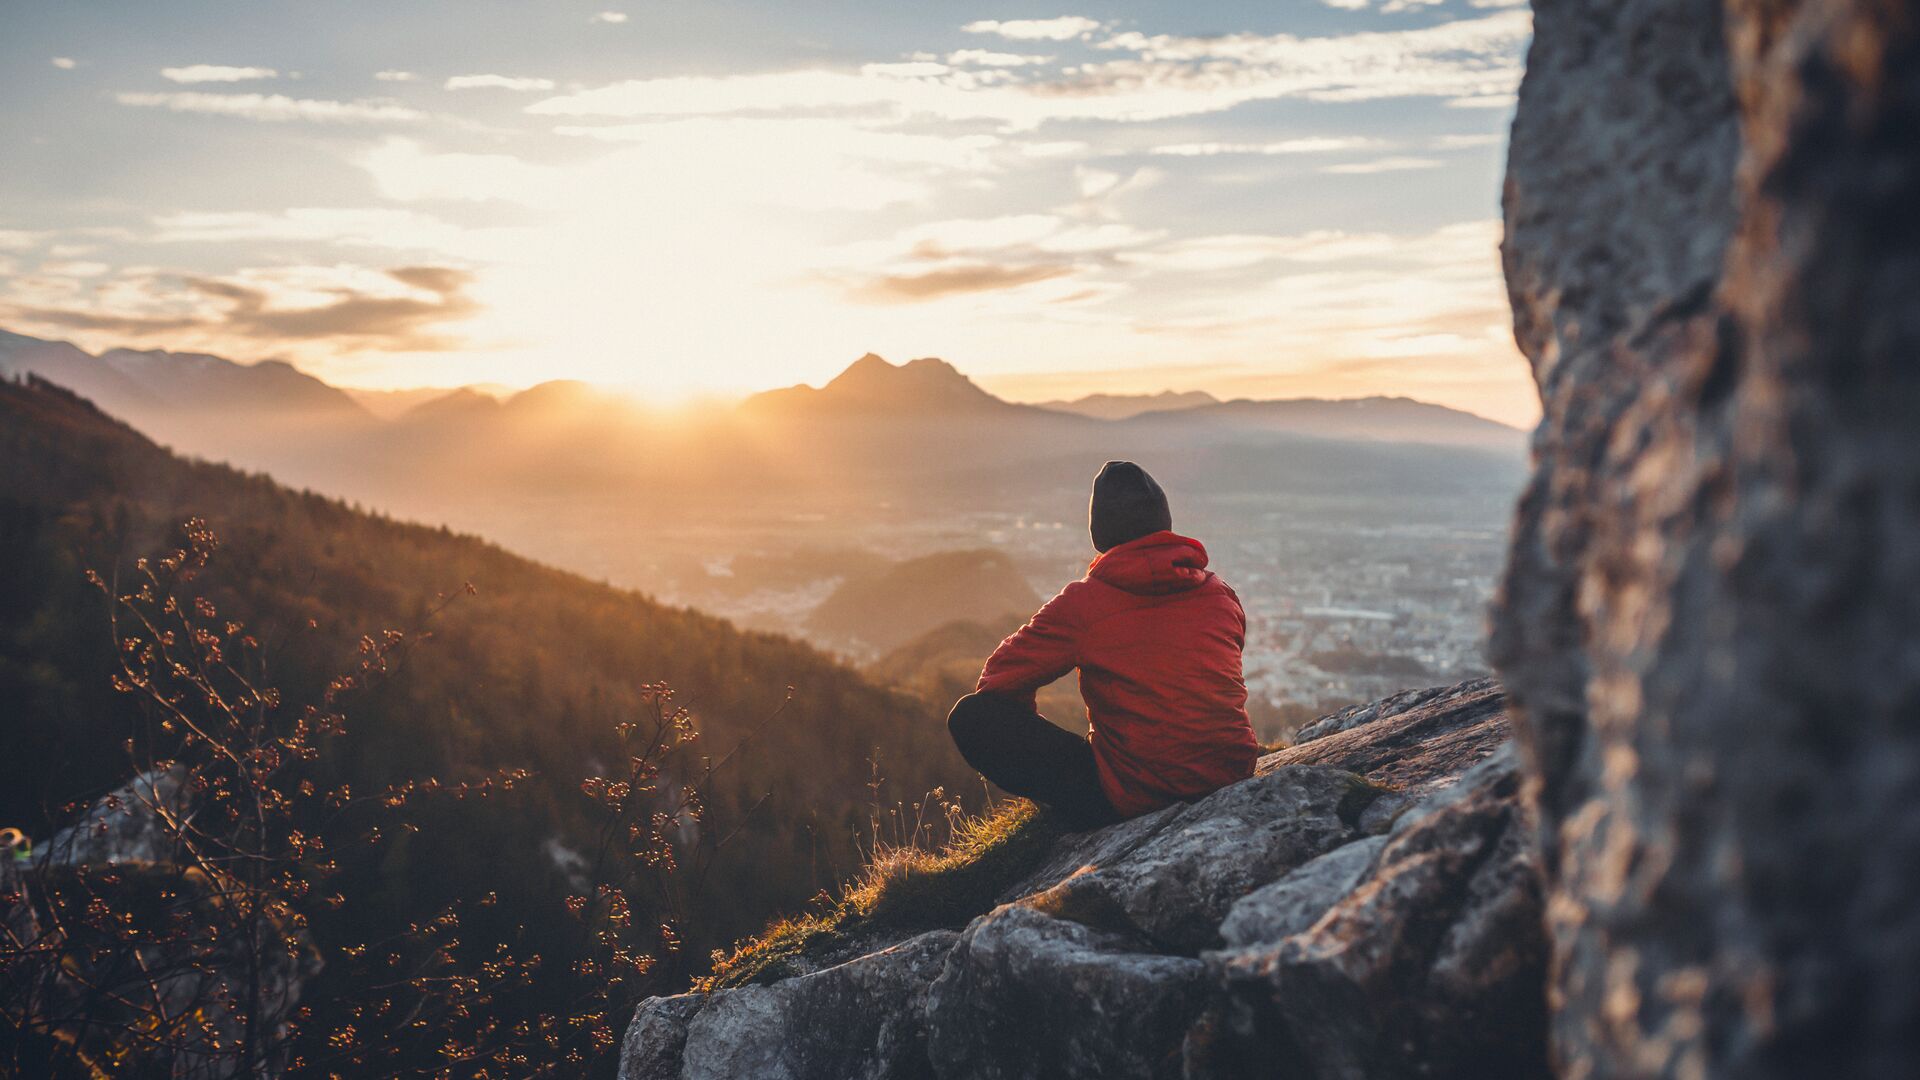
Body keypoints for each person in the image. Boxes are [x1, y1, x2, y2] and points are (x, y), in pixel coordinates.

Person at [947, 460, 1259, 830]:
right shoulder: (1220, 595)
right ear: (1165, 523)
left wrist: (1039, 741)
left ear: (1101, 533)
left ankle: (1070, 815)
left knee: (971, 716)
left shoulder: (1084, 604)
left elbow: (999, 679)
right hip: (1231, 773)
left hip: (1136, 793)